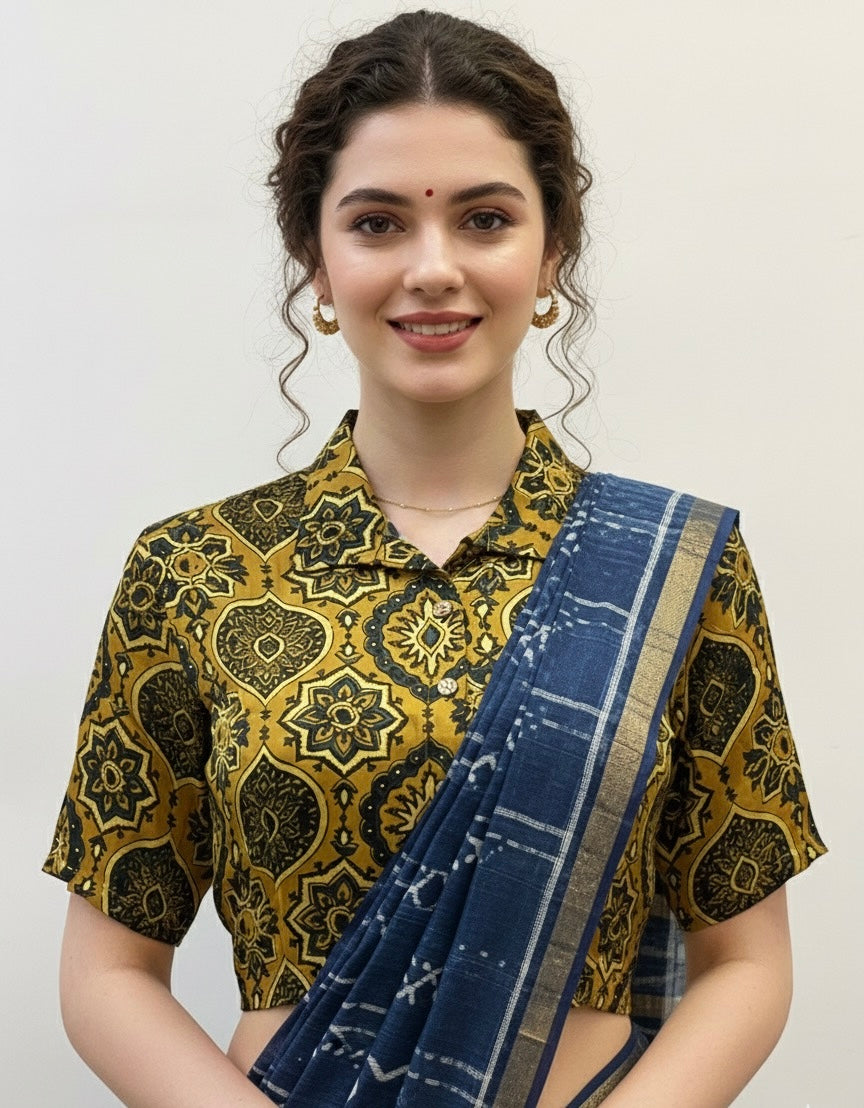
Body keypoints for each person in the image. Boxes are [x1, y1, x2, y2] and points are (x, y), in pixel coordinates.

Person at [44, 10, 826, 1107]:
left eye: (485, 219)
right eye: (376, 223)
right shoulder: (194, 572)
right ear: (315, 262)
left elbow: (745, 961)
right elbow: (108, 973)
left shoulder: (675, 567)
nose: (433, 268)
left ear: (552, 252)